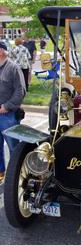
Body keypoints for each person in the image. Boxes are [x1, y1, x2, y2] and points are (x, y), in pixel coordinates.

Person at [0, 41, 26, 184]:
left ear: (1, 51)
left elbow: (20, 91)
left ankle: (16, 177)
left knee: (13, 148)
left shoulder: (13, 68)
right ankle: (1, 174)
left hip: (8, 115)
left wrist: (7, 106)